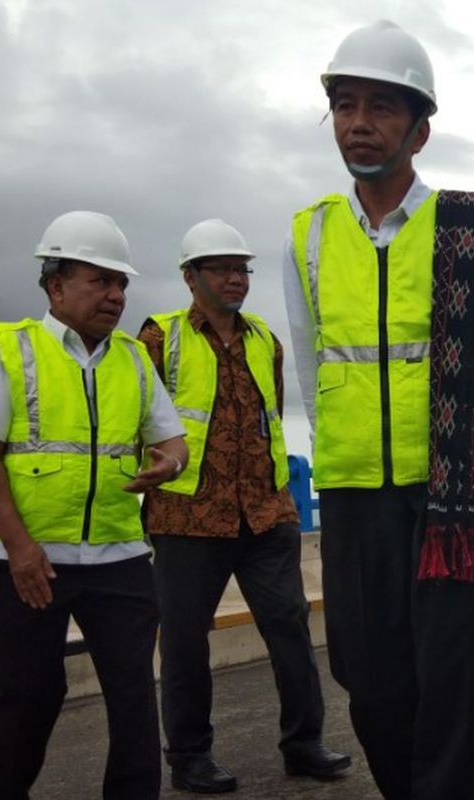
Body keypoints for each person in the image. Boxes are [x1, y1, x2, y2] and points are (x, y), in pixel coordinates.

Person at [282, 20, 474, 800]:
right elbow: (313, 364)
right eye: (345, 105)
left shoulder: (468, 227)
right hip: (354, 492)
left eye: (381, 108)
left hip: (448, 492)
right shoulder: (309, 235)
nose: (359, 123)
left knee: (454, 678)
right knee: (368, 677)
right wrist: (337, 449)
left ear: (420, 130)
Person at [139, 219, 350, 793]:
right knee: (184, 640)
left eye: (242, 269)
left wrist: (280, 494)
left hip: (265, 513)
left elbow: (269, 421)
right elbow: (140, 420)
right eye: (222, 269)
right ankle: (188, 756)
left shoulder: (265, 340)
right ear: (190, 276)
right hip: (188, 517)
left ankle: (303, 743)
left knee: (290, 629)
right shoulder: (159, 338)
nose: (236, 279)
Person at [0, 211, 188, 799]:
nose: (116, 294)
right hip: (27, 559)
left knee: (133, 695)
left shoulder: (132, 359)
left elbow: (171, 439)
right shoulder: (6, 352)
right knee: (29, 694)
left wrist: (168, 463)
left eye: (120, 282)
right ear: (55, 285)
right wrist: (21, 550)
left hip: (119, 556)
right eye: (100, 280)